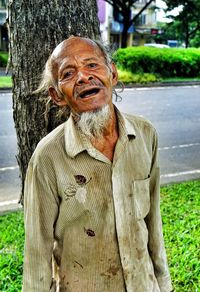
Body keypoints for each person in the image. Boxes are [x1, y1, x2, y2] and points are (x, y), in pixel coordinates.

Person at [23, 36, 173, 292]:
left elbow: (152, 222)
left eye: (92, 65)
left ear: (112, 73)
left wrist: (163, 284)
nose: (83, 77)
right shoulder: (48, 156)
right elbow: (38, 249)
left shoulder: (146, 135)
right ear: (57, 95)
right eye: (68, 73)